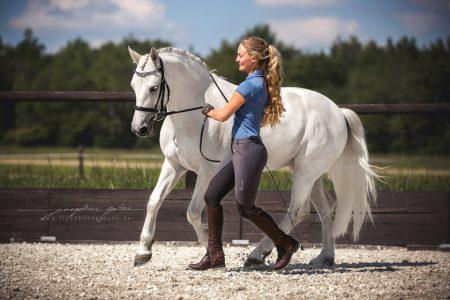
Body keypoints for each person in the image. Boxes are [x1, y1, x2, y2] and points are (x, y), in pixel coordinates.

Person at [188, 37, 299, 271]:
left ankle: (285, 243)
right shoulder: (258, 83)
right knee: (212, 196)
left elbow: (222, 115)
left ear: (254, 58)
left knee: (245, 207)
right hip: (238, 149)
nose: (237, 58)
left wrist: (207, 110)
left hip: (248, 150)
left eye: (240, 55)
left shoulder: (249, 86)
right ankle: (215, 254)